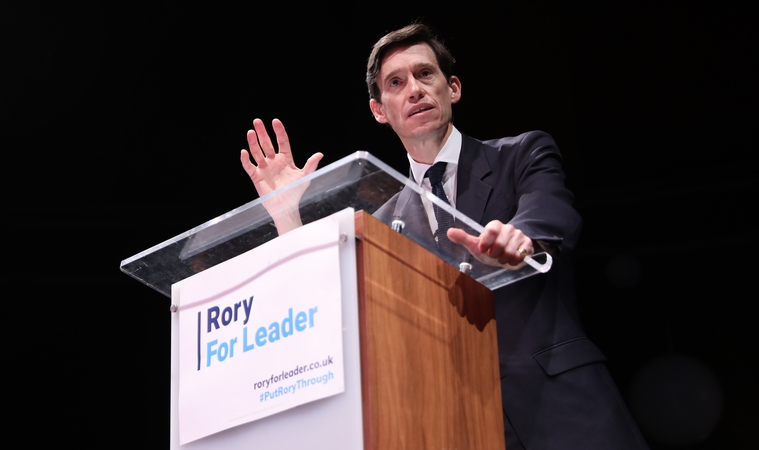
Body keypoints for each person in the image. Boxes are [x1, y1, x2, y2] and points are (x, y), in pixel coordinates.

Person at [240, 23, 647, 450]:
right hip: (455, 423)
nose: (414, 89)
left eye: (425, 74)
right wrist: (287, 216)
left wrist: (519, 242)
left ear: (452, 88)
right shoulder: (380, 223)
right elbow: (330, 304)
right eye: (396, 83)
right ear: (380, 110)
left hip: (564, 411)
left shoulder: (521, 154)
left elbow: (549, 212)